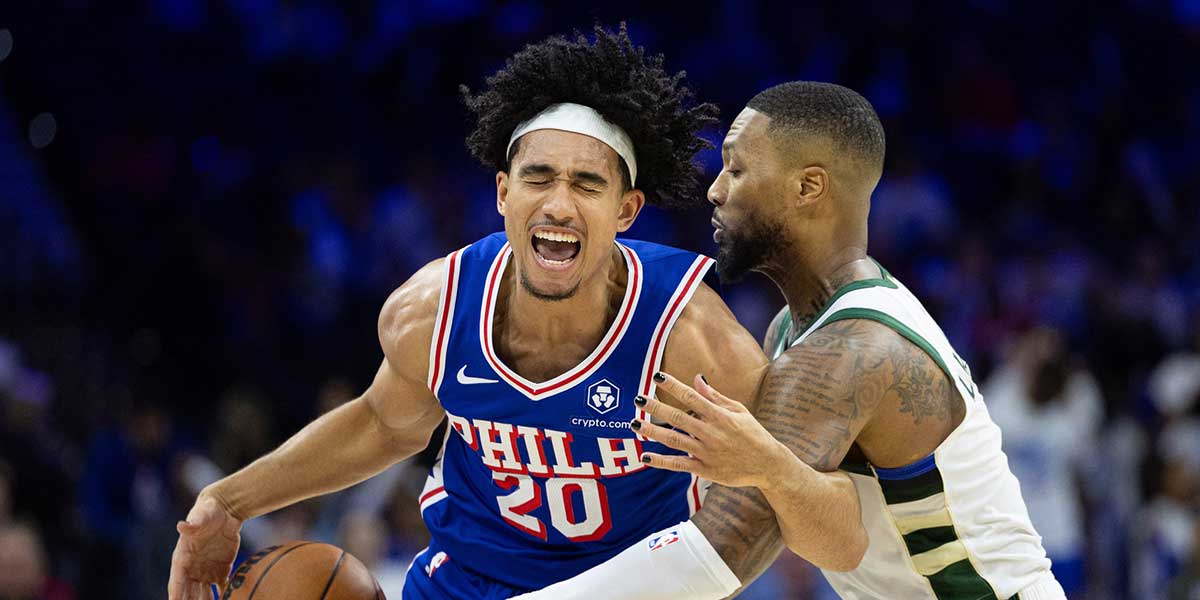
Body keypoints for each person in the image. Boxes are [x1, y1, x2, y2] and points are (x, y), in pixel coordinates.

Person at [167, 25, 783, 600]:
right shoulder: (433, 311)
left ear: (626, 211)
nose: (559, 205)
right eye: (538, 178)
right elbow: (385, 425)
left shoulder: (692, 339)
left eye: (587, 184)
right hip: (465, 583)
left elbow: (765, 505)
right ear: (503, 193)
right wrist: (229, 501)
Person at [518, 82, 1066, 600]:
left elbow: (719, 555)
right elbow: (811, 531)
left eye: (736, 168)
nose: (715, 189)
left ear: (808, 187)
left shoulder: (853, 348)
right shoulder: (793, 328)